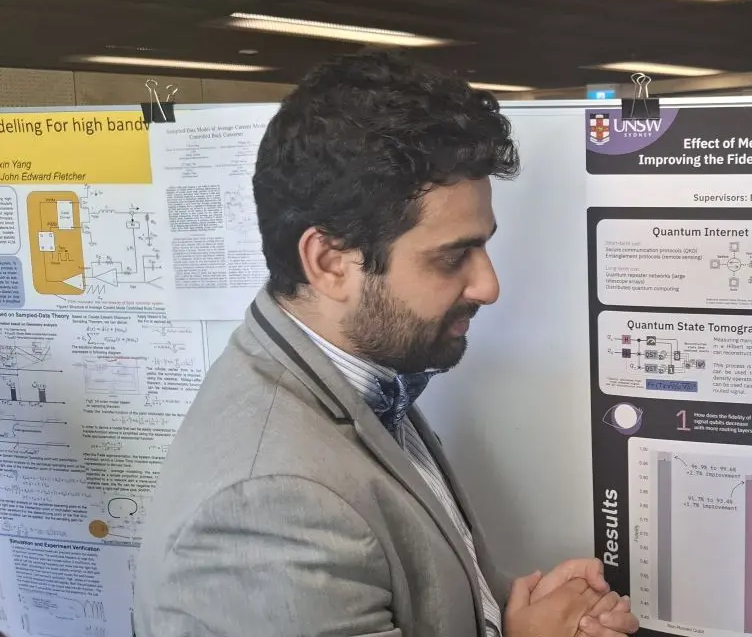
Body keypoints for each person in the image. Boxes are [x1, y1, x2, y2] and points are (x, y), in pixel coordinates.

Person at [134, 50, 640, 637]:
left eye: (483, 246)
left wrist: (518, 610)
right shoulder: (269, 507)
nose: (488, 285)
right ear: (330, 262)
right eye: (452, 256)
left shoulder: (365, 377)